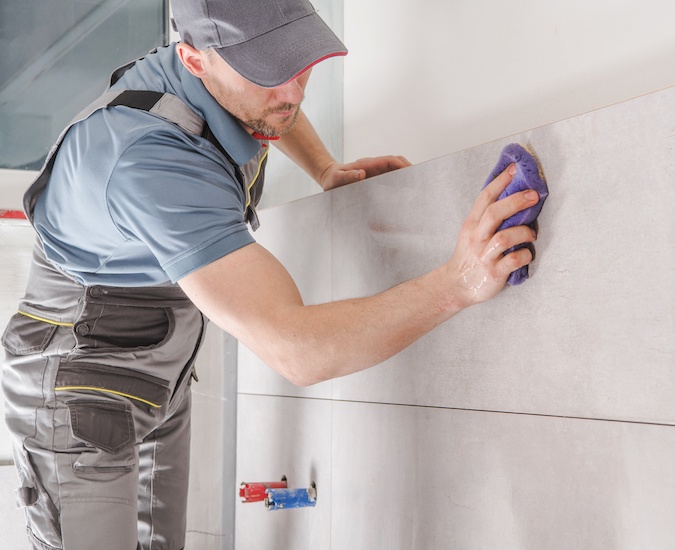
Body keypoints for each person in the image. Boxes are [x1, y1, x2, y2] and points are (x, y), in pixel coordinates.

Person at [0, 0, 540, 548]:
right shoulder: (153, 162)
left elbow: (270, 104)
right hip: (77, 382)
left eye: (298, 63)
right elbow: (297, 351)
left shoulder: (219, 78)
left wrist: (325, 167)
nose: (294, 91)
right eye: (267, 73)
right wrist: (458, 282)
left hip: (156, 367)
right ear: (193, 61)